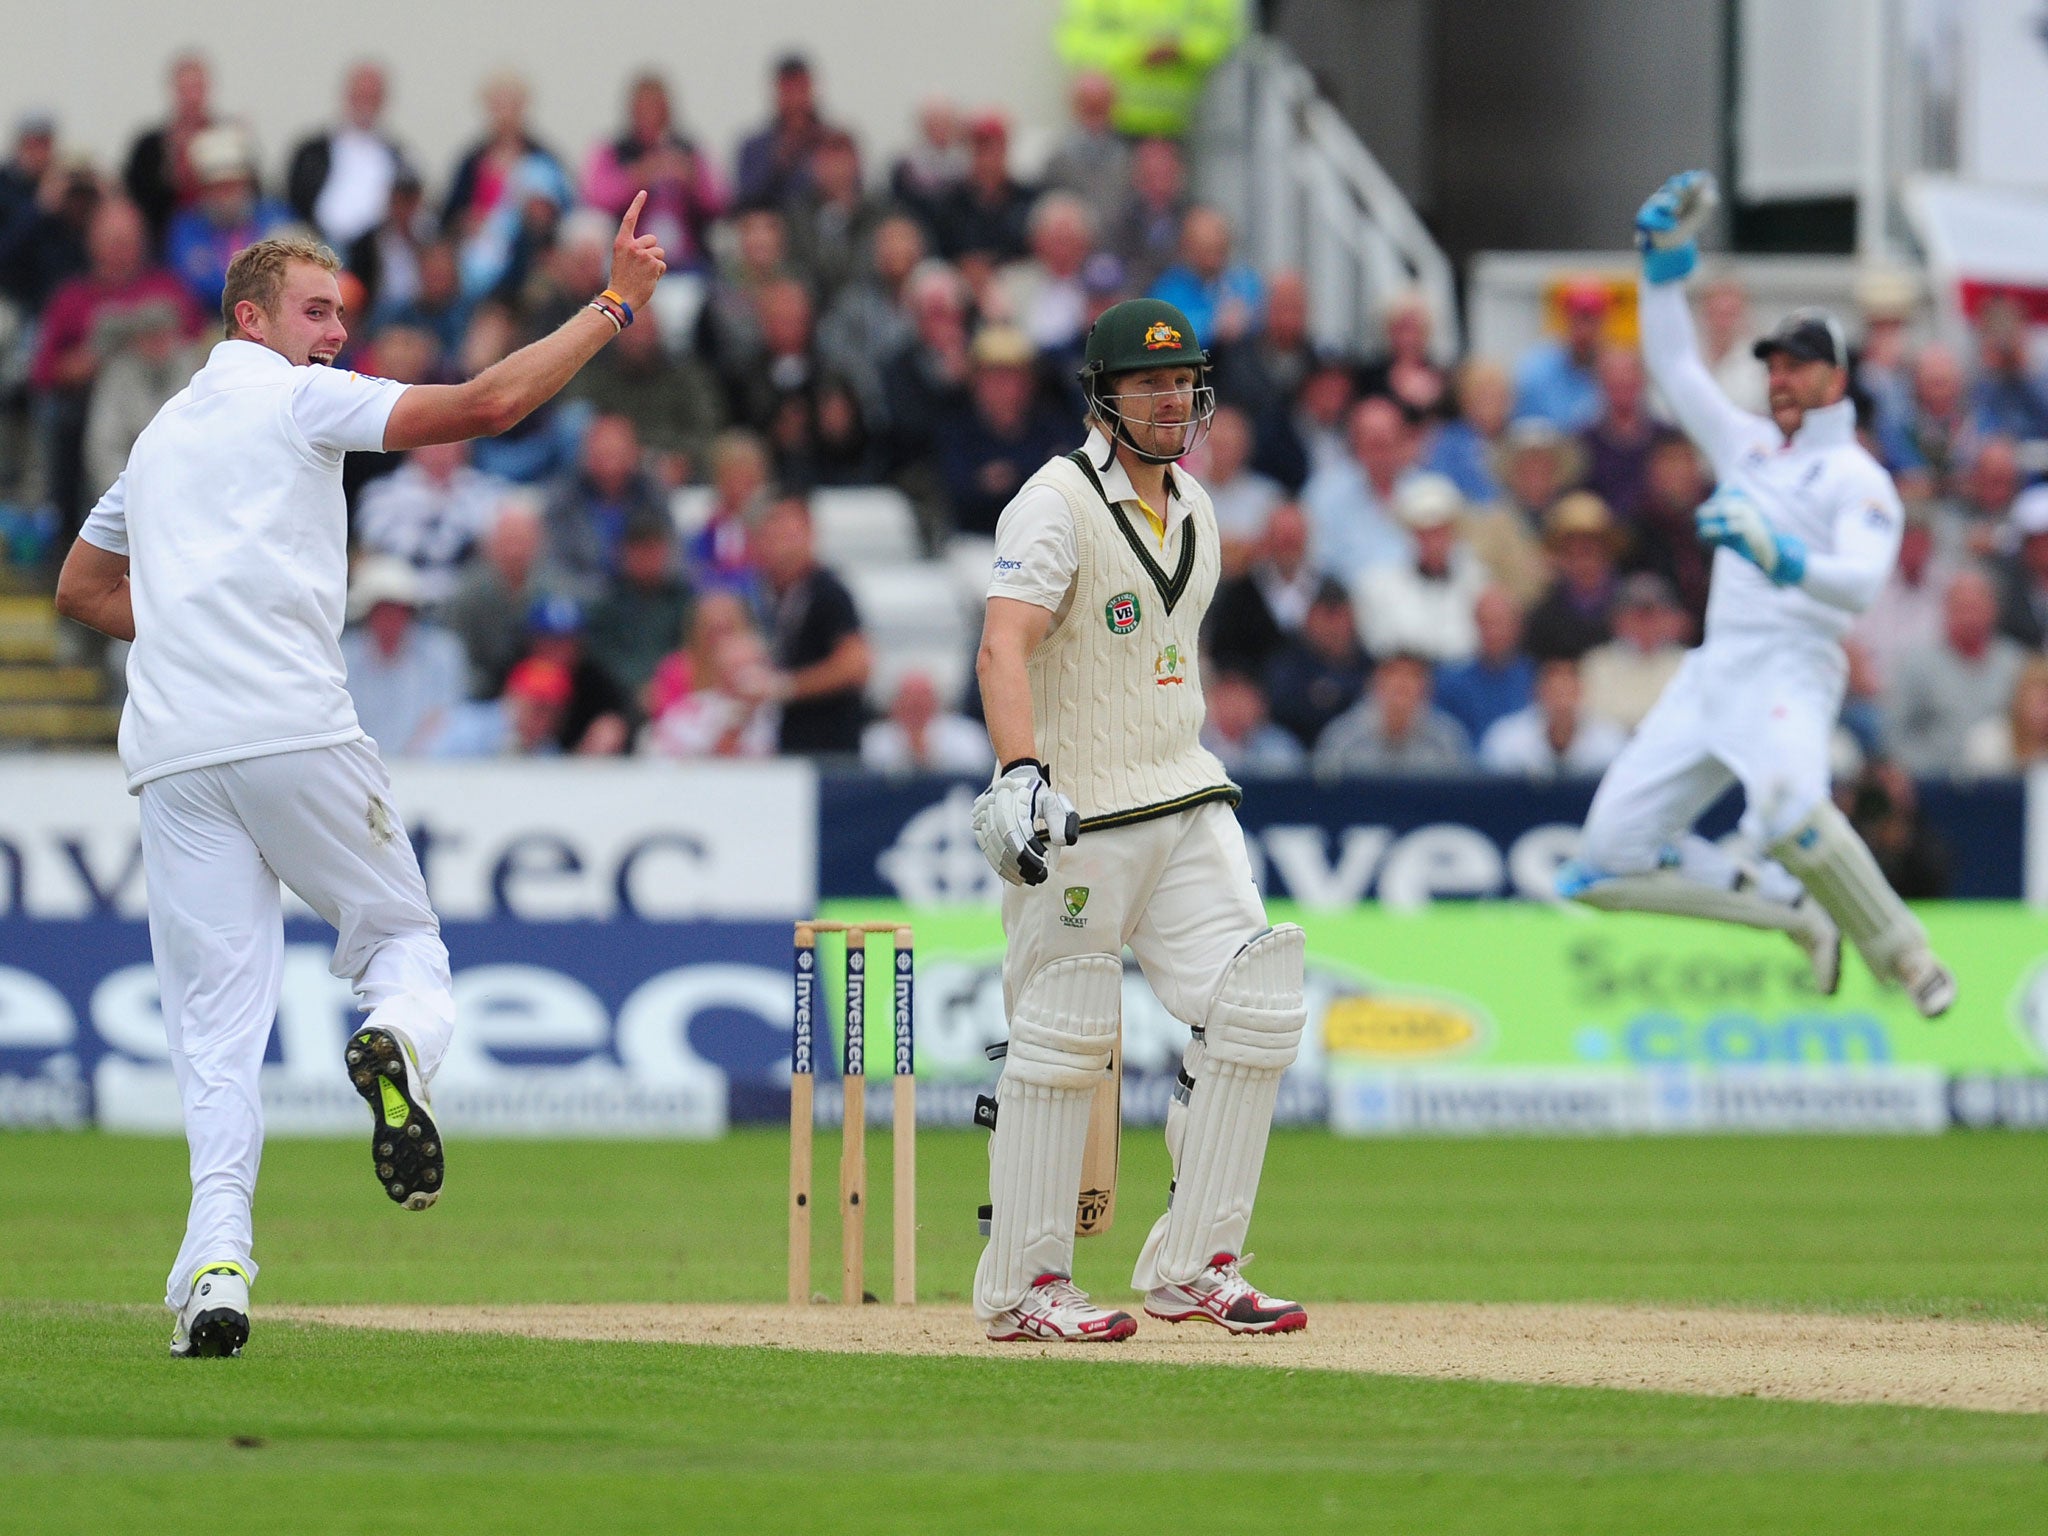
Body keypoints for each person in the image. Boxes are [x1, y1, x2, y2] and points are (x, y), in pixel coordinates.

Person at [51, 197, 666, 1357]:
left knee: (216, 1032)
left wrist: (187, 633)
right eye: (317, 311)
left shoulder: (160, 436)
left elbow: (81, 591)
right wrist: (614, 301)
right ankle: (394, 1039)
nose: (336, 332)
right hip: (291, 727)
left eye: (341, 312)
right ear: (252, 317)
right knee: (403, 944)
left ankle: (220, 1268)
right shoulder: (296, 398)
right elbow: (488, 405)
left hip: (174, 755)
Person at [969, 295, 1307, 1341]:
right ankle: (1024, 1286)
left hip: (1184, 790)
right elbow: (1003, 645)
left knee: (1256, 1003)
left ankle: (1195, 1261)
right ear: (1102, 396)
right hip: (1074, 811)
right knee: (1064, 1034)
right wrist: (1019, 772)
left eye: (1181, 380)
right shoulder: (1052, 502)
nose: (1169, 399)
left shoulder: (1199, 508)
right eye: (1146, 383)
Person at [1558, 171, 1955, 1020]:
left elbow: (1858, 585)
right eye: (1773, 362)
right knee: (1603, 861)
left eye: (1798, 365)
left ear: (1835, 381)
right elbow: (1671, 363)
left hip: (1791, 670)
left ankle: (1906, 955)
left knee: (1788, 811)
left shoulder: (1857, 478)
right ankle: (1792, 907)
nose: (1779, 376)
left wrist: (1779, 557)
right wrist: (1662, 260)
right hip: (1714, 674)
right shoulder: (1744, 447)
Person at [749, 491, 871, 755]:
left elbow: (855, 665)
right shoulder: (766, 594)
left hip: (828, 743)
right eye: (771, 534)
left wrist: (785, 687)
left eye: (788, 535)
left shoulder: (827, 592)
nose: (780, 545)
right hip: (787, 742)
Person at [1884, 565, 2026, 777]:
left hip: (2002, 783)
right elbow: (1893, 732)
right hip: (1932, 782)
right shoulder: (1917, 663)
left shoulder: (2015, 664)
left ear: (1993, 610)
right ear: (1945, 610)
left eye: (1976, 607)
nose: (1969, 617)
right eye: (1961, 608)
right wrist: (1922, 770)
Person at [1056, 0, 1250, 139]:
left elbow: (1228, 31)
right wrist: (1137, 51)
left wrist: (1184, 48)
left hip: (1186, 123)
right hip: (1114, 124)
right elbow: (1075, 41)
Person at [353, 438, 511, 606]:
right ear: (411, 448)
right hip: (400, 598)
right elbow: (376, 545)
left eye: (448, 444)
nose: (440, 452)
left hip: (468, 600)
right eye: (434, 444)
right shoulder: (380, 494)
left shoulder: (488, 493)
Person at [338, 557, 468, 756]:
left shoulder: (442, 655)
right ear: (367, 614)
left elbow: (450, 721)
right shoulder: (343, 658)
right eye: (382, 611)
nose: (390, 619)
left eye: (398, 610)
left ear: (410, 613)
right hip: (358, 770)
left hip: (429, 772)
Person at [1352, 472, 1485, 664]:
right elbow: (1381, 644)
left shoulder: (1478, 581)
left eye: (1440, 531)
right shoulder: (1378, 586)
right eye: (1423, 533)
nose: (1433, 542)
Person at [286, 61, 408, 250]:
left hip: (376, 248)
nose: (365, 104)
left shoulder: (398, 155)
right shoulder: (312, 151)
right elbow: (295, 198)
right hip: (318, 240)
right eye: (360, 96)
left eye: (372, 97)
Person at [1313, 652, 1472, 774]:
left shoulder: (1447, 737)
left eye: (1413, 676)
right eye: (1392, 674)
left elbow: (1461, 798)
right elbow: (1325, 792)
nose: (1402, 683)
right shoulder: (1343, 735)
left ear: (1428, 688)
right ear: (1374, 684)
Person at [1478, 657, 1625, 779]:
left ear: (1581, 693)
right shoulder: (1505, 739)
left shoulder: (1610, 741)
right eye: (1554, 692)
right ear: (1537, 694)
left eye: (1569, 693)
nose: (1561, 702)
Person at [1578, 572, 1690, 733]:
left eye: (1653, 614)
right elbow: (1593, 717)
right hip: (1612, 748)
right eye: (1638, 615)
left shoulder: (1686, 663)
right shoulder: (1596, 662)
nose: (1646, 624)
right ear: (1618, 619)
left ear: (1670, 618)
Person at [1434, 585, 1536, 745]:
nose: (1493, 632)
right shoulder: (1450, 682)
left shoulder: (1536, 679)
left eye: (1500, 623)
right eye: (1486, 623)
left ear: (1518, 626)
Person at [735, 54, 829, 208]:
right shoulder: (754, 148)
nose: (795, 99)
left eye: (801, 89)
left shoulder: (832, 144)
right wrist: (779, 163)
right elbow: (747, 201)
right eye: (788, 91)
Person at [1040, 73, 1130, 232]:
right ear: (1075, 107)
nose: (1095, 112)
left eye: (1100, 105)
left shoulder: (1129, 159)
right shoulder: (1057, 160)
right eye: (1089, 106)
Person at [1514, 279, 1608, 430]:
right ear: (1564, 319)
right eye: (1577, 319)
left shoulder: (1616, 372)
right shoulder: (1534, 369)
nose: (1584, 330)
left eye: (1591, 320)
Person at [862, 671, 993, 774]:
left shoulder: (967, 735)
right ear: (895, 704)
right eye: (908, 699)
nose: (915, 705)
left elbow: (977, 775)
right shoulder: (876, 738)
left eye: (922, 699)